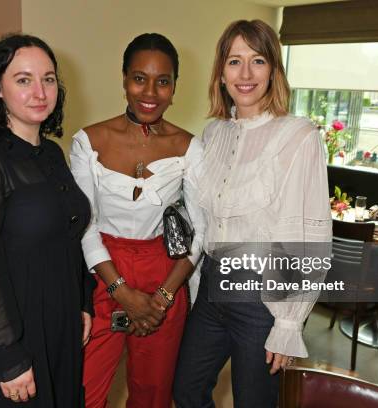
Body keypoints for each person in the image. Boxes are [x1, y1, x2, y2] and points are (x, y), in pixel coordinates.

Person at [172, 20, 332, 407]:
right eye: (234, 61)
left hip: (262, 297)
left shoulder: (298, 136)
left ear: (273, 70)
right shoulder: (212, 135)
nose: (245, 74)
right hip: (211, 288)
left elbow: (308, 236)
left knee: (254, 401)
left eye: (257, 61)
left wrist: (288, 321)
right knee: (186, 391)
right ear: (221, 73)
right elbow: (206, 221)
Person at [0, 34, 95, 407]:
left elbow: (67, 236)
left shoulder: (52, 154)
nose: (40, 92)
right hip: (8, 329)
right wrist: (8, 357)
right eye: (23, 80)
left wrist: (82, 301)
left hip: (56, 322)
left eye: (48, 78)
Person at [70, 33, 205, 408]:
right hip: (101, 272)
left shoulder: (191, 146)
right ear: (124, 80)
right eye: (139, 78)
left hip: (166, 273)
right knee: (84, 389)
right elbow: (84, 224)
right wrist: (122, 292)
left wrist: (162, 297)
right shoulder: (88, 141)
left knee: (152, 394)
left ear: (175, 87)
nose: (150, 91)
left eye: (163, 81)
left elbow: (200, 229)